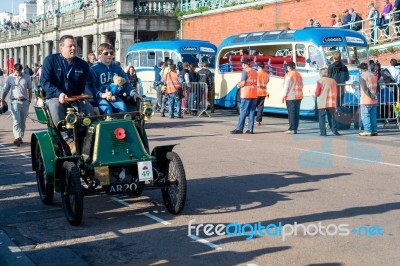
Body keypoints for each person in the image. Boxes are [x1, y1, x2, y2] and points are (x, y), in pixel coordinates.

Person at [40, 35, 95, 154]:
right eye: (70, 46)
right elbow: (45, 82)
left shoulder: (83, 64)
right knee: (55, 107)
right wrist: (58, 93)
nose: (74, 48)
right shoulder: (50, 60)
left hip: (76, 98)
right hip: (55, 97)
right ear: (61, 48)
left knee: (89, 109)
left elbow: (87, 84)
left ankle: (87, 139)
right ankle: (69, 141)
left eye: (75, 46)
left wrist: (88, 96)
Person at [90, 43, 141, 114]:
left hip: (115, 96)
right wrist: (102, 95)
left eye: (111, 53)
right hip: (101, 97)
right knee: (108, 111)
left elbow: (125, 84)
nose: (109, 55)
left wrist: (133, 93)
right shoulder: (93, 69)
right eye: (106, 53)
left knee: (123, 110)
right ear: (99, 54)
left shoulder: (117, 69)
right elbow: (91, 87)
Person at [0, 63, 32, 146]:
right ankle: (17, 137)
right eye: (17, 72)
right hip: (14, 101)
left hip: (25, 101)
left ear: (22, 70)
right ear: (14, 70)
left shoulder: (27, 77)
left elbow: (30, 89)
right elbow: (6, 90)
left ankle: (20, 137)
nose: (18, 73)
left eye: (19, 72)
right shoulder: (10, 77)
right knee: (16, 120)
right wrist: (2, 100)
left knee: (23, 122)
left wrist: (29, 100)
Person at [230, 58, 258, 134]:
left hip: (246, 94)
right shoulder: (255, 72)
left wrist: (238, 85)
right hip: (254, 94)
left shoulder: (245, 71)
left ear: (244, 64)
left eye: (242, 64)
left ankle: (239, 129)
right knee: (252, 112)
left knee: (243, 111)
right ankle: (250, 129)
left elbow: (243, 83)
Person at [315, 68, 339, 136]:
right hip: (332, 101)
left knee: (322, 117)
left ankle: (323, 132)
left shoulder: (320, 81)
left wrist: (315, 94)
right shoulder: (333, 81)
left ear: (321, 74)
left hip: (323, 101)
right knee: (332, 117)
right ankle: (334, 130)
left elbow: (317, 92)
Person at [282, 61, 303, 134]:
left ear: (289, 67)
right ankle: (295, 128)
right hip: (299, 96)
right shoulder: (299, 75)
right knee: (296, 113)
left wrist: (283, 95)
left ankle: (291, 128)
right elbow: (302, 85)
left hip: (291, 96)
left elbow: (286, 87)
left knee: (291, 113)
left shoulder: (288, 75)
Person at [358, 63, 379, 136]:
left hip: (366, 99)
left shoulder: (362, 76)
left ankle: (367, 130)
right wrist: (375, 96)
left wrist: (371, 96)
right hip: (374, 99)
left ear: (360, 69)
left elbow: (365, 89)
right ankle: (374, 130)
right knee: (373, 115)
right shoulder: (373, 75)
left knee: (365, 115)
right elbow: (377, 87)